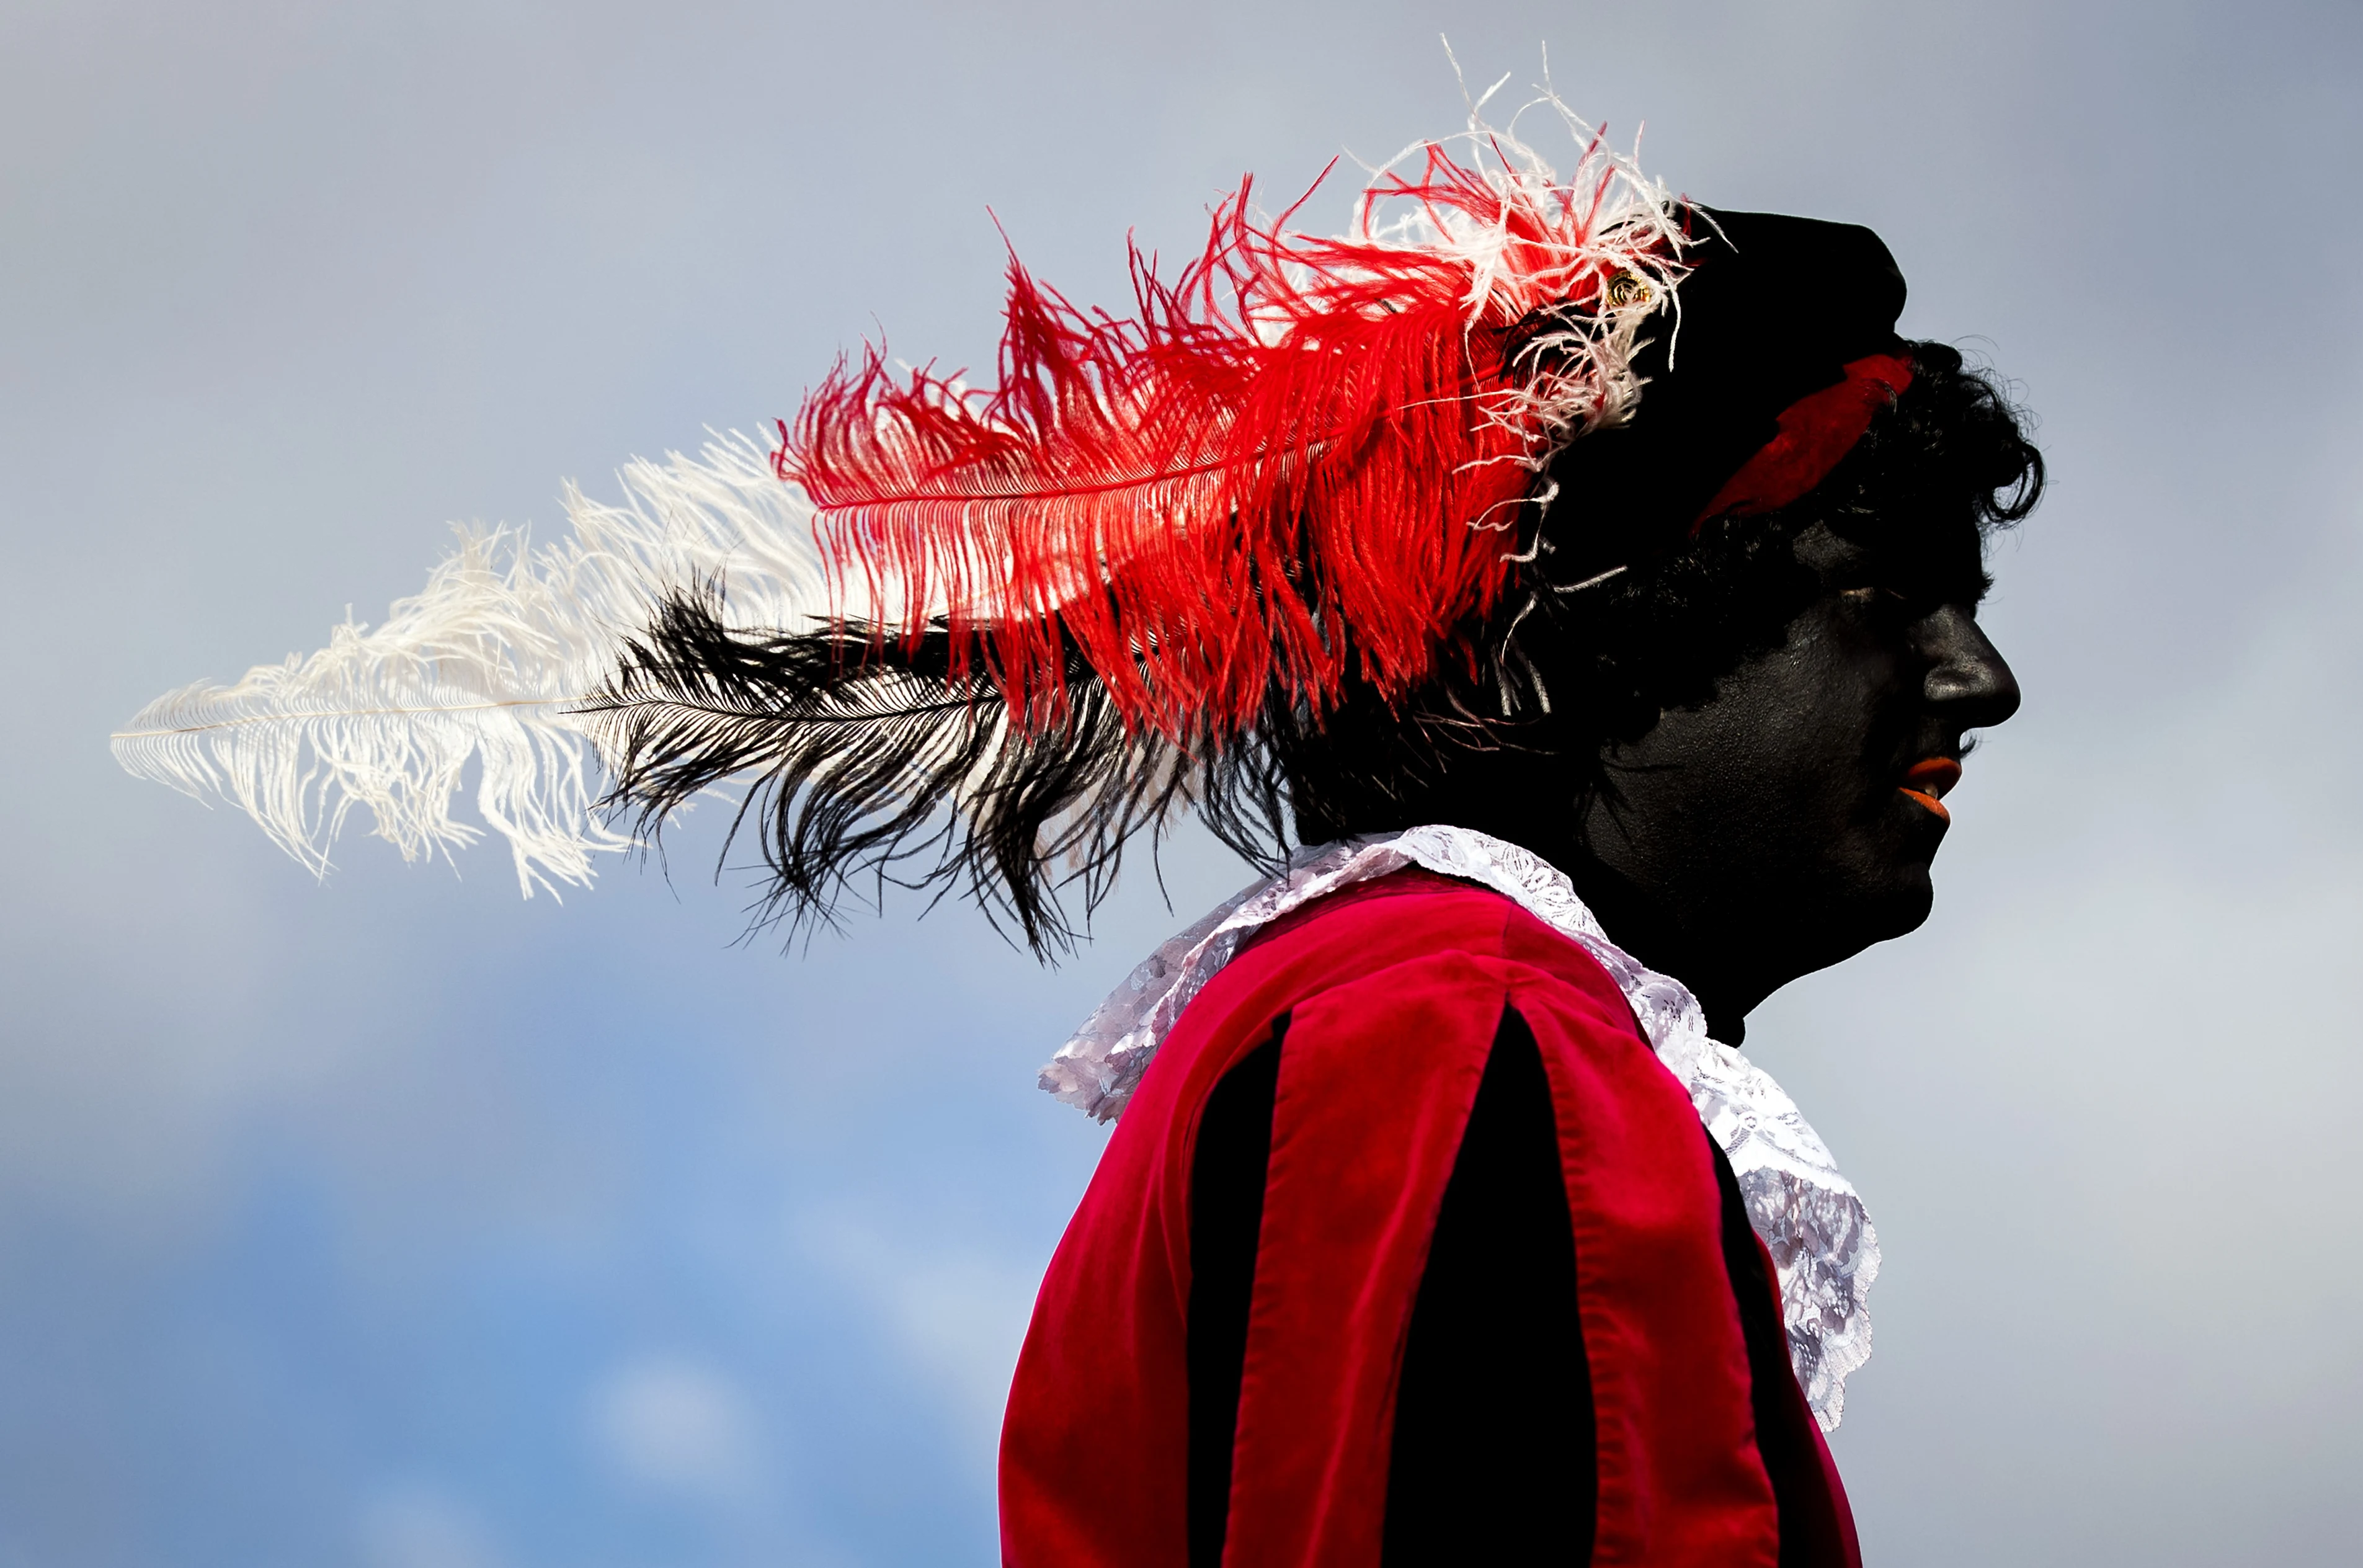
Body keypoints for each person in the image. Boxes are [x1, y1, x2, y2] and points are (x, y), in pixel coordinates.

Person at [113, 94, 2039, 1568]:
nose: (1981, 680)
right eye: (1881, 588)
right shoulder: (1452, 1028)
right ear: (1548, 664)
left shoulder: (1417, 1021)